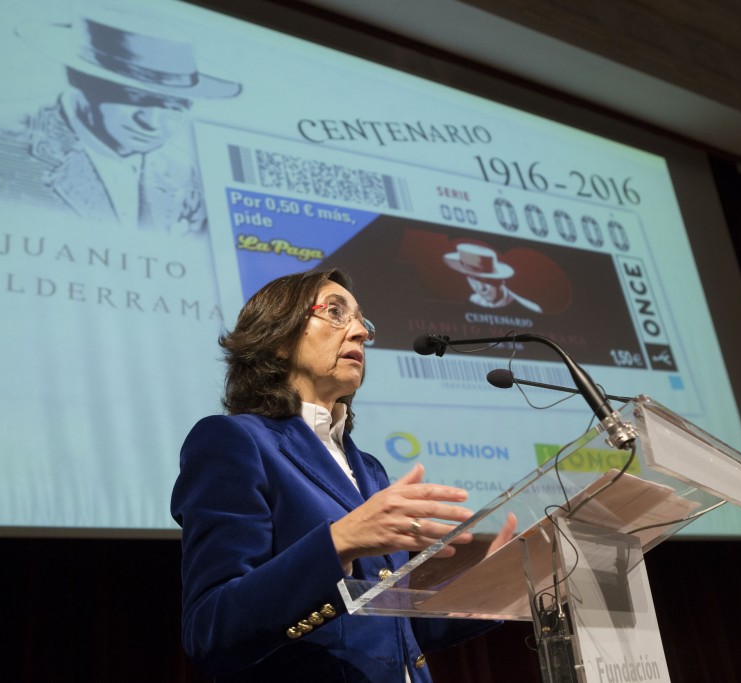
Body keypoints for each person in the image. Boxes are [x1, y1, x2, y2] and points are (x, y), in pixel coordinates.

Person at [170, 268, 503, 682]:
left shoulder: (370, 468)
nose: (361, 332)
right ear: (277, 340)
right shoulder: (233, 442)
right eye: (335, 312)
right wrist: (339, 542)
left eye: (362, 320)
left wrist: (495, 586)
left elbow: (397, 627)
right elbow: (211, 629)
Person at [0, 10, 241, 234]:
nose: (152, 122)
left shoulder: (181, 174)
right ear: (80, 82)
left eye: (174, 106)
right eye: (133, 98)